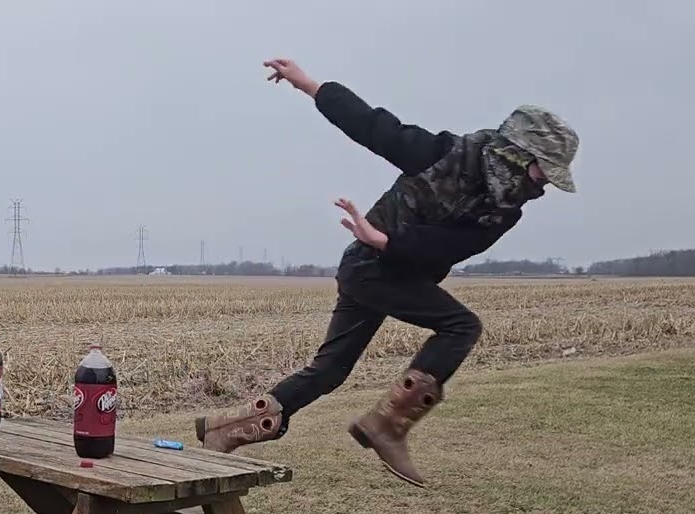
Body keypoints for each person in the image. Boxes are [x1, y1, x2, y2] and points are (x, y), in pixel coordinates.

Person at [195, 58, 579, 487]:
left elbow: (451, 248)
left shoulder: (505, 210)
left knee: (330, 370)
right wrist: (308, 84)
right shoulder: (443, 155)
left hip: (393, 268)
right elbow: (372, 126)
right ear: (517, 154)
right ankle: (388, 425)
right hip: (368, 268)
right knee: (461, 326)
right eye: (543, 172)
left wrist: (387, 242)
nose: (544, 186)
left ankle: (225, 430)